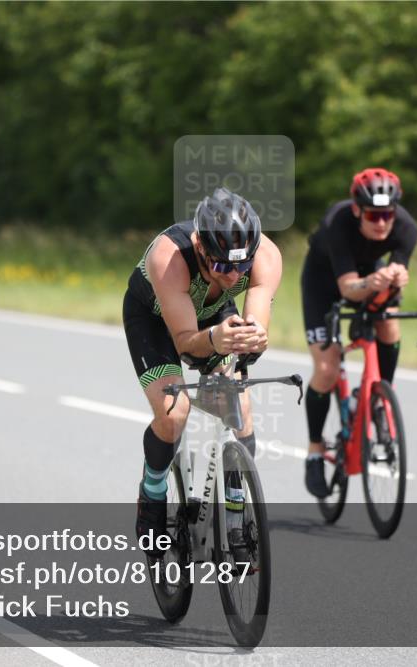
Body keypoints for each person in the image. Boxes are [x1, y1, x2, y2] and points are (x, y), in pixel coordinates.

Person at [123, 187, 282, 552]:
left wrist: (252, 338)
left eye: (240, 266)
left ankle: (236, 512)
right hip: (156, 320)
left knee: (238, 409)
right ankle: (153, 490)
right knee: (173, 412)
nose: (232, 276)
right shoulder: (170, 257)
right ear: (200, 248)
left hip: (212, 316)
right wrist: (214, 341)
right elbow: (185, 341)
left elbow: (256, 317)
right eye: (223, 266)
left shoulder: (266, 257)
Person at [300, 168, 417, 498]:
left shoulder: (407, 228)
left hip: (367, 274)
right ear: (357, 210)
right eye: (373, 215)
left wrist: (395, 278)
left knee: (389, 320)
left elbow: (390, 281)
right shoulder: (338, 222)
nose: (381, 223)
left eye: (387, 214)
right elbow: (349, 288)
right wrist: (371, 285)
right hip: (324, 283)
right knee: (326, 368)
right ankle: (313, 451)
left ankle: (381, 397)